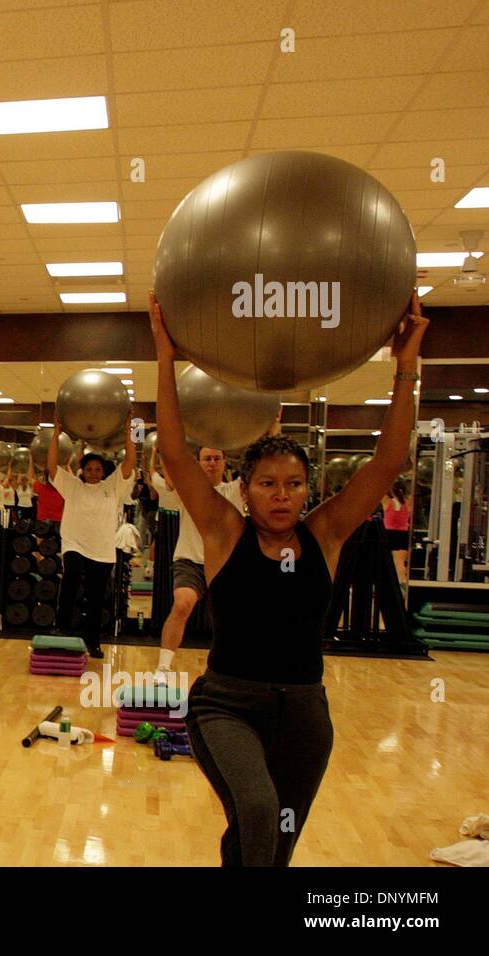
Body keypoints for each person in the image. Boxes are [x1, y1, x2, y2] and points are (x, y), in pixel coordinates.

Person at [149, 289, 427, 866]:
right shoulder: (224, 532)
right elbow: (175, 452)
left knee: (276, 842)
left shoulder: (324, 535)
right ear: (245, 489)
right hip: (226, 706)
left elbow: (387, 462)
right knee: (255, 808)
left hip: (305, 715)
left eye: (294, 484)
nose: (282, 495)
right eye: (268, 484)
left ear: (308, 488)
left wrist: (405, 368)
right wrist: (165, 359)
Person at [150, 445, 245, 681]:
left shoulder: (236, 489)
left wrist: (272, 426)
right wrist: (161, 449)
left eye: (216, 458)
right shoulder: (189, 490)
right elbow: (171, 468)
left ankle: (232, 667)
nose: (211, 463)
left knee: (231, 617)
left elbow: (262, 464)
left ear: (224, 462)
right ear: (199, 463)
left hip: (224, 564)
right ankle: (163, 669)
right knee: (182, 604)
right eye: (206, 459)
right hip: (190, 560)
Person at [46, 421, 136, 658]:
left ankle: (92, 641)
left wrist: (129, 435)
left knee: (95, 599)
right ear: (82, 471)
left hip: (102, 550)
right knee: (71, 579)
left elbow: (129, 464)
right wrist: (56, 435)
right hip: (74, 544)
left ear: (103, 471)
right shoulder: (73, 486)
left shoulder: (113, 486)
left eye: (97, 469)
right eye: (89, 469)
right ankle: (61, 628)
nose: (93, 473)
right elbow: (52, 466)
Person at [382, 480, 411, 583]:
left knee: (386, 563)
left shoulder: (387, 502)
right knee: (400, 563)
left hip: (389, 534)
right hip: (403, 534)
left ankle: (390, 584)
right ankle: (402, 583)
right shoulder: (408, 503)